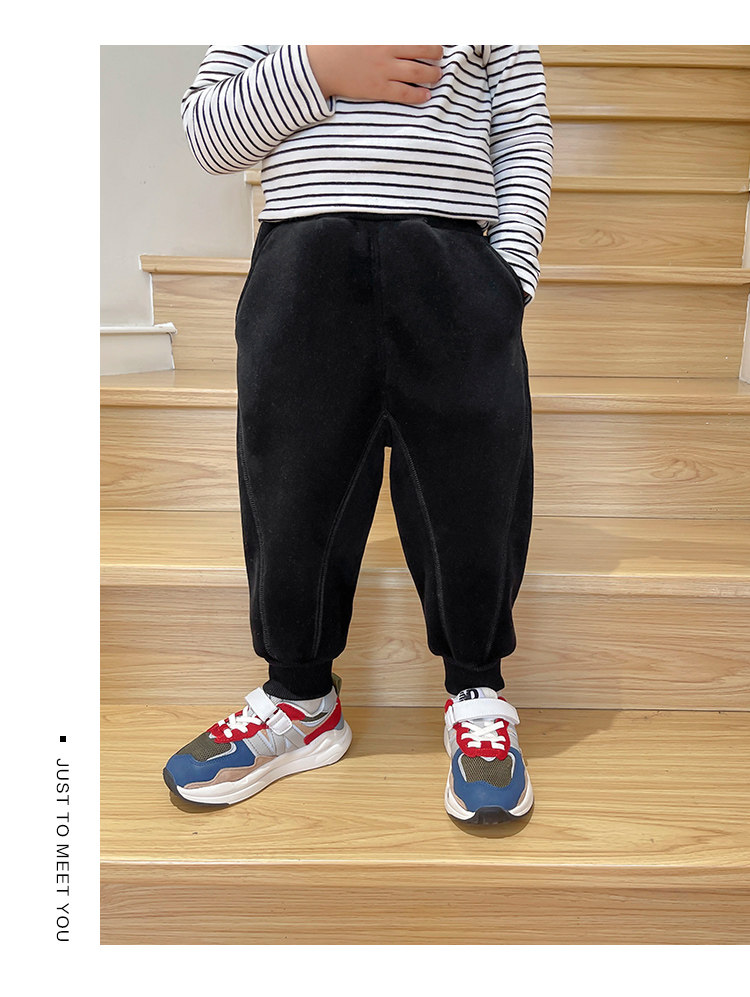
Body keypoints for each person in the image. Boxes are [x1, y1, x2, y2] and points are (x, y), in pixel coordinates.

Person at [163, 45, 553, 824]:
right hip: (302, 262)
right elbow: (208, 132)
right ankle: (300, 698)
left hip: (453, 263)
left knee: (473, 491)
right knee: (291, 489)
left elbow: (521, 128)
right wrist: (317, 67)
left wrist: (508, 275)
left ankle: (476, 689)